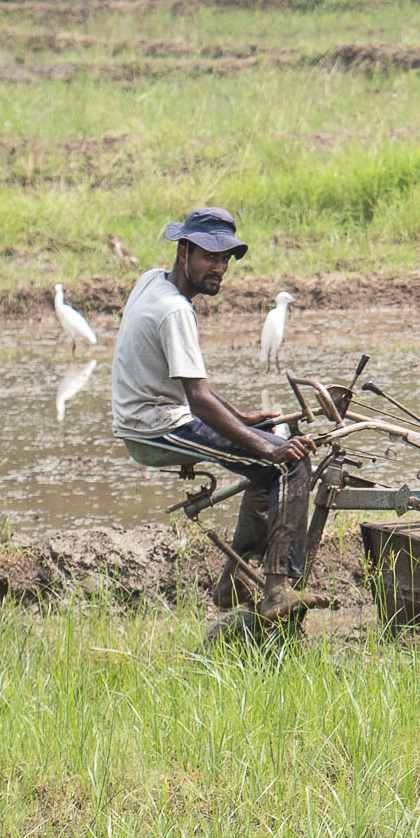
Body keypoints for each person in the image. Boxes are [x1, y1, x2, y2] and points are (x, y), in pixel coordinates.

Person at [111, 205, 314, 606]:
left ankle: (234, 580)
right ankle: (278, 589)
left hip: (146, 417)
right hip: (156, 427)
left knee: (266, 447)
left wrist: (243, 420)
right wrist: (271, 449)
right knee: (290, 463)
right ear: (184, 252)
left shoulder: (151, 280)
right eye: (209, 257)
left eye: (224, 260)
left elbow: (191, 386)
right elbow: (199, 401)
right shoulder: (175, 312)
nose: (218, 268)